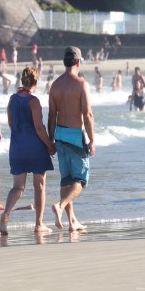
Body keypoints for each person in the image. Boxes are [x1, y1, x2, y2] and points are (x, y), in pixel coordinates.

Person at [0, 67, 55, 235]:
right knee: (39, 185)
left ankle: (6, 214)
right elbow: (39, 128)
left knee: (17, 187)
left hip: (17, 147)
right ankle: (39, 224)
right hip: (35, 147)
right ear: (35, 82)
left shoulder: (12, 99)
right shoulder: (34, 101)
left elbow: (10, 123)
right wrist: (50, 145)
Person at [48, 46, 96, 232]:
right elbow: (87, 114)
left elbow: (52, 116)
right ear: (78, 62)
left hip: (59, 136)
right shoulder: (81, 84)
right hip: (76, 136)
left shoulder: (55, 85)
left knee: (66, 180)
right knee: (81, 180)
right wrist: (92, 140)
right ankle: (60, 206)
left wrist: (51, 140)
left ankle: (72, 221)